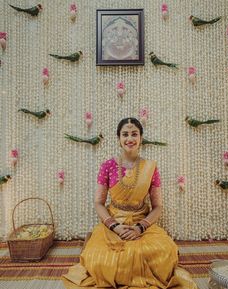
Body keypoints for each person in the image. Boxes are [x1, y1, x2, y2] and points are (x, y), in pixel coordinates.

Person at [62, 117, 198, 289]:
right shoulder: (108, 166)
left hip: (142, 224)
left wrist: (140, 227)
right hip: (113, 223)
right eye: (125, 134)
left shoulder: (150, 167)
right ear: (119, 138)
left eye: (134, 134)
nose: (130, 139)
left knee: (165, 253)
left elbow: (158, 206)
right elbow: (98, 203)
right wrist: (115, 227)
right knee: (96, 258)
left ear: (141, 138)